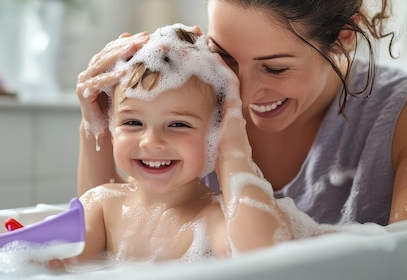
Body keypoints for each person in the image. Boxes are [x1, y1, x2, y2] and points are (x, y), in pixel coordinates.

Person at [76, 0, 407, 227]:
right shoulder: (194, 98)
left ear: (343, 37)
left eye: (275, 67)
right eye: (224, 56)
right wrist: (93, 126)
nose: (242, 91)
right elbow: (114, 234)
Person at [56, 24, 290, 266]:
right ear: (112, 127)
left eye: (178, 124)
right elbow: (58, 263)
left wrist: (233, 148)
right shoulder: (103, 206)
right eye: (133, 122)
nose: (152, 142)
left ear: (215, 133)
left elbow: (265, 261)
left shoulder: (213, 218)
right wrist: (92, 124)